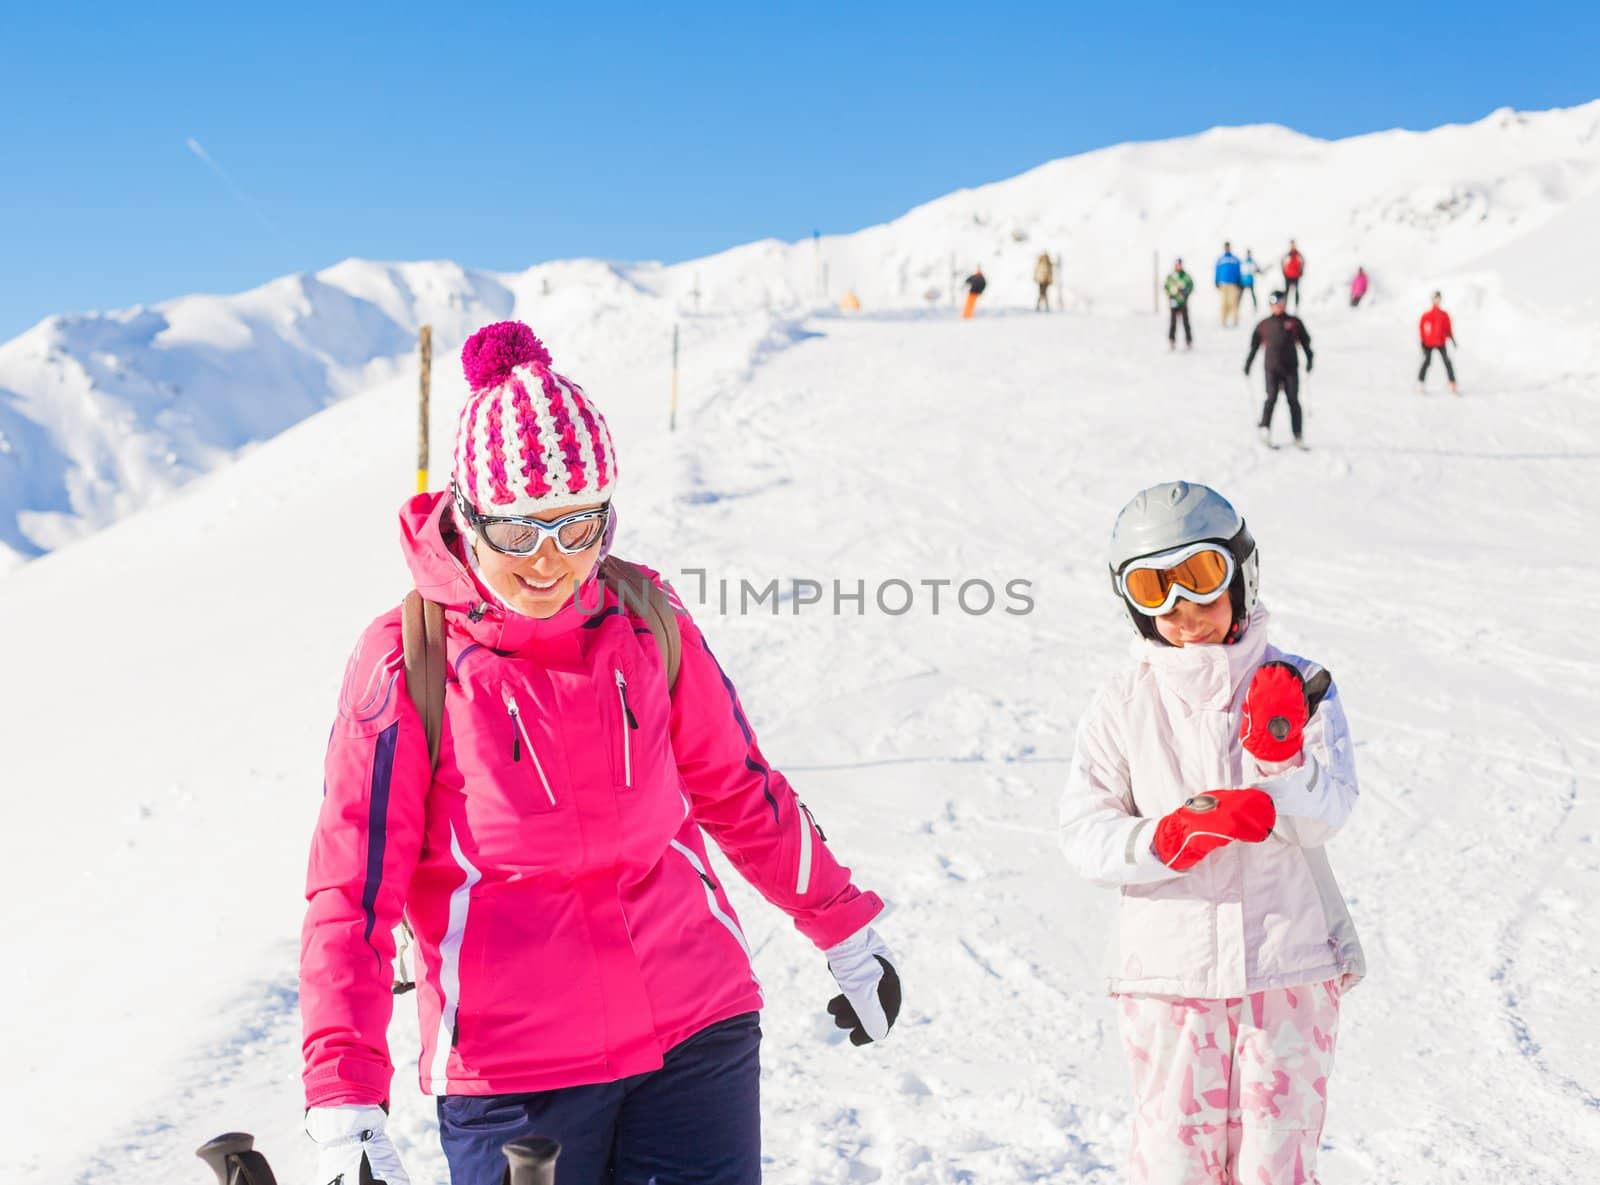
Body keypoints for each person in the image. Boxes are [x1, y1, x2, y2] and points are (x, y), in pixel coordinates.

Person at [299, 321, 901, 1185]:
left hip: (698, 1026)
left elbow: (738, 787)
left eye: (580, 526)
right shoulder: (408, 659)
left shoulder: (644, 617)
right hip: (515, 1076)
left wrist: (844, 924)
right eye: (520, 533)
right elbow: (352, 887)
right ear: (468, 519)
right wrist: (344, 1094)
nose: (552, 561)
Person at [1060, 479, 1364, 1185]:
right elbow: (1083, 829)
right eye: (1154, 588)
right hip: (1169, 977)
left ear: (1241, 570)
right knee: (1175, 1165)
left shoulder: (1301, 681)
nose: (1181, 610)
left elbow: (1333, 810)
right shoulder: (1122, 700)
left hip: (1286, 968)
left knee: (1276, 1168)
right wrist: (1165, 838)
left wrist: (1279, 760)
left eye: (1199, 578)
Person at [1244, 290, 1314, 448]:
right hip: (1272, 368)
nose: (1278, 307)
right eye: (1275, 304)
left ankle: (1298, 435)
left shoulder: (1294, 322)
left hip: (1290, 368)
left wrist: (1310, 358)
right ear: (1270, 305)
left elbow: (1305, 342)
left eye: (1281, 303)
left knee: (1293, 401)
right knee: (1271, 398)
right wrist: (1248, 363)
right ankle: (1265, 431)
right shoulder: (1264, 324)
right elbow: (1254, 346)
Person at [1418, 290, 1458, 394]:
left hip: (1440, 342)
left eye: (1438, 298)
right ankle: (1420, 383)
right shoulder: (1427, 315)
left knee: (1447, 362)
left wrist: (1452, 338)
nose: (1437, 300)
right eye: (1435, 298)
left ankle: (1452, 383)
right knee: (1427, 361)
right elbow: (1422, 328)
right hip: (1429, 343)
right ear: (1432, 300)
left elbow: (1448, 328)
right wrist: (1423, 340)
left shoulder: (1444, 315)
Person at [1164, 259, 1195, 350]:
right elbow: (1166, 287)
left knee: (1185, 322)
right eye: (1177, 265)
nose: (1178, 266)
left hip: (1183, 302)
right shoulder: (1171, 276)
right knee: (1173, 322)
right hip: (1174, 302)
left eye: (1180, 265)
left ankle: (1188, 340)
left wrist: (1185, 292)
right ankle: (1172, 340)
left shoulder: (1185, 276)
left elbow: (1191, 286)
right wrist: (1171, 295)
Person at [1214, 242, 1242, 327]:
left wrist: (1239, 281)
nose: (1227, 248)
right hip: (1223, 284)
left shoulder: (1235, 259)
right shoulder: (1220, 259)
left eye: (1228, 247)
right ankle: (1223, 321)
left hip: (1233, 284)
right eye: (1226, 247)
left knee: (1233, 303)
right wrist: (1216, 281)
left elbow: (1239, 271)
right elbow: (1217, 271)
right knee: (1224, 303)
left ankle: (1235, 320)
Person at [1281, 240, 1306, 309]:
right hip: (1288, 276)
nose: (1292, 246)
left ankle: (1296, 307)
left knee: (1296, 292)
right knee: (1287, 292)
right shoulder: (1287, 254)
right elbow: (1282, 262)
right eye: (1291, 244)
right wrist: (1284, 273)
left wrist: (1301, 271)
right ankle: (1284, 306)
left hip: (1296, 276)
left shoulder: (1298, 254)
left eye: (1293, 244)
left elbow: (1303, 262)